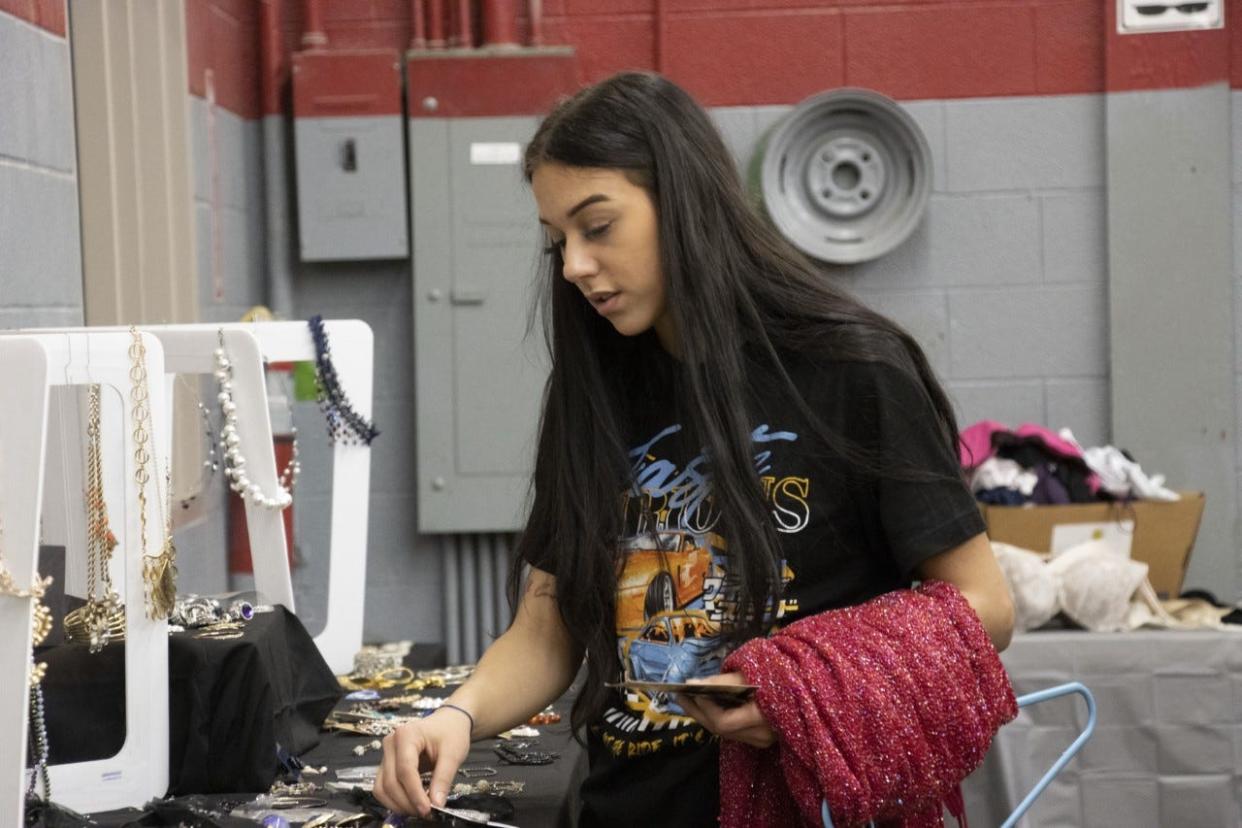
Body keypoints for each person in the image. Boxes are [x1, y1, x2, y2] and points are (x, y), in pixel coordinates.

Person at [374, 71, 1015, 827]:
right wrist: (458, 716)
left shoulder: (854, 369)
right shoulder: (593, 392)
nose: (575, 264)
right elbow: (548, 628)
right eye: (558, 242)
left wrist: (801, 689)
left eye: (598, 226)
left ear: (681, 201)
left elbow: (987, 608)